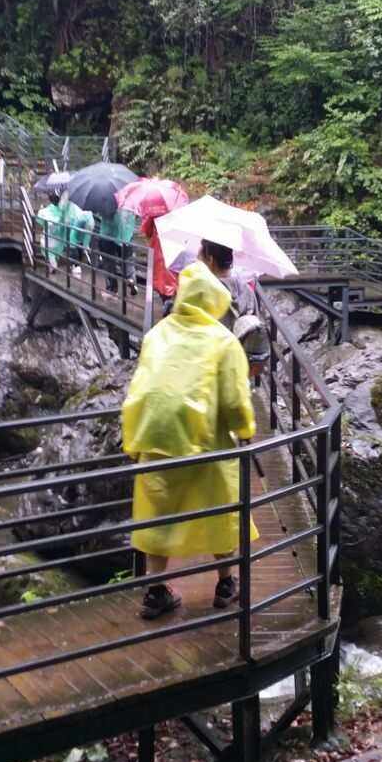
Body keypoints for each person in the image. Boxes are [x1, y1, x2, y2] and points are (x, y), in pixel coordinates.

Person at [122, 260, 258, 619]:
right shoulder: (223, 340)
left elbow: (139, 388)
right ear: (215, 299)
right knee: (222, 509)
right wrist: (245, 430)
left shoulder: (156, 335)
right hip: (206, 442)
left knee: (158, 516)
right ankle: (226, 582)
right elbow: (233, 399)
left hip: (155, 437)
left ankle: (155, 591)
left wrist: (132, 440)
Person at [172, 239, 270, 375]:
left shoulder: (201, 293)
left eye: (200, 257)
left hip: (207, 367)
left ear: (210, 260)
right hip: (236, 365)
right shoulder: (246, 290)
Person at [97, 206, 137, 296]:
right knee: (127, 261)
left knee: (109, 263)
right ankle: (131, 279)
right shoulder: (130, 202)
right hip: (127, 236)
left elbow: (101, 215)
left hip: (108, 235)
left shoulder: (108, 200)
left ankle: (112, 289)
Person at [36, 190, 67, 270]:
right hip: (60, 238)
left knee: (47, 250)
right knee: (56, 251)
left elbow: (39, 220)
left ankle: (52, 265)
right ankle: (53, 262)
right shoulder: (63, 211)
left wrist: (41, 209)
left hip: (48, 237)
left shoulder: (45, 211)